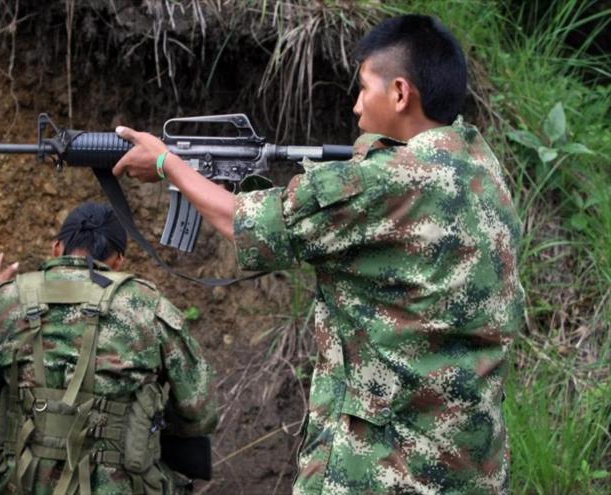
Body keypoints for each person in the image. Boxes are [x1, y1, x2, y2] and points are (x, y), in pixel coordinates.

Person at [112, 14, 524, 495]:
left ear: (399, 93)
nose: (354, 107)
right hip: (472, 463)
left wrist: (166, 163)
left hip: (386, 470)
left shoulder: (381, 181)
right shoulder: (481, 168)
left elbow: (245, 223)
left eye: (363, 89)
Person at [0, 202, 217, 494]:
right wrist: (149, 428)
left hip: (21, 482)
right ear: (117, 261)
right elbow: (198, 411)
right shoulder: (146, 305)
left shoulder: (5, 301)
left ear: (56, 248)